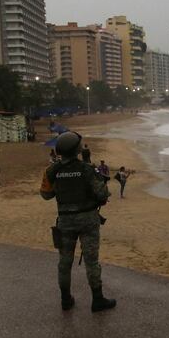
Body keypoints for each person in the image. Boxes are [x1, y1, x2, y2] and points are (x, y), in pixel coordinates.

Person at [40, 132, 116, 312]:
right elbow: (102, 194)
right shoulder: (87, 169)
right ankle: (97, 300)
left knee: (64, 262)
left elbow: (45, 194)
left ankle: (65, 300)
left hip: (65, 221)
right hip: (88, 220)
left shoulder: (52, 170)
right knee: (92, 261)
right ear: (77, 150)